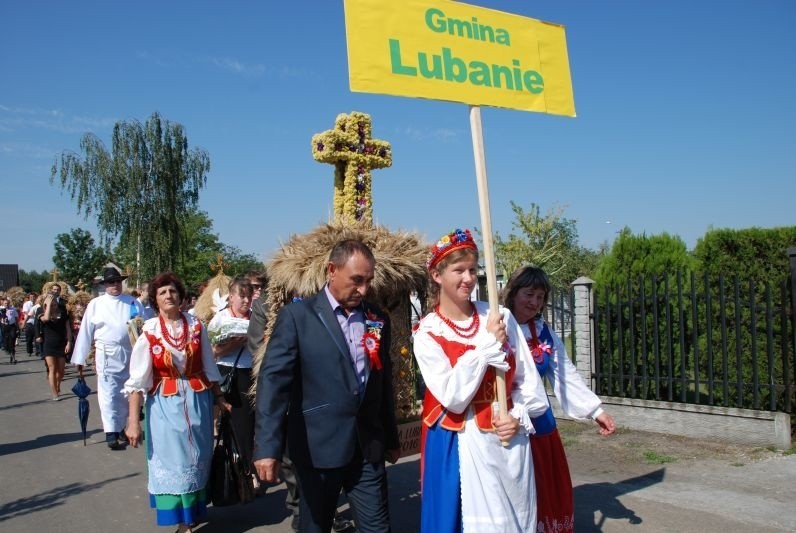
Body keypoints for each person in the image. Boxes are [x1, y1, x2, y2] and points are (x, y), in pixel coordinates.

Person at [254, 239, 400, 533]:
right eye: (356, 280)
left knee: (378, 528)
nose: (364, 290)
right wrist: (266, 447)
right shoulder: (298, 317)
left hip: (367, 448)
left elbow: (381, 383)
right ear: (332, 270)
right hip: (317, 449)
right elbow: (273, 384)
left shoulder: (376, 318)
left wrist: (391, 438)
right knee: (315, 527)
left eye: (368, 281)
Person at [413, 229, 549, 533]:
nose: (468, 278)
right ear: (436, 275)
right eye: (458, 270)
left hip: (509, 438)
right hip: (462, 442)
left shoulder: (499, 316)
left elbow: (528, 384)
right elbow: (453, 397)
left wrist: (517, 416)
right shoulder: (427, 333)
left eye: (473, 269)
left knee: (517, 519)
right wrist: (486, 347)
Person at [501, 266, 617, 532]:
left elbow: (565, 374)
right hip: (505, 427)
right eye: (528, 294)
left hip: (540, 426)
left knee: (545, 495)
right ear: (513, 293)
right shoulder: (496, 328)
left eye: (540, 297)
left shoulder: (543, 333)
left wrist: (596, 411)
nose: (534, 302)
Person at [124, 272, 229, 532]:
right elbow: (137, 380)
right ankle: (182, 522)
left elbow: (208, 365)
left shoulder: (195, 325)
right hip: (163, 406)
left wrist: (220, 398)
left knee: (197, 458)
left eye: (172, 291)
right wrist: (132, 422)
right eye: (162, 293)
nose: (168, 296)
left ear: (181, 297)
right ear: (155, 300)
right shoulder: (149, 330)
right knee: (174, 461)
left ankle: (191, 513)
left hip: (197, 402)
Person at [71, 266, 144, 449]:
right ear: (105, 285)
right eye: (111, 282)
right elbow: (86, 331)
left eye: (118, 281)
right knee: (108, 392)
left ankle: (123, 427)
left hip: (129, 352)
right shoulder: (96, 304)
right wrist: (80, 358)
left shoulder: (133, 303)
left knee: (128, 391)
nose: (115, 285)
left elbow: (143, 328)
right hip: (107, 353)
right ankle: (111, 431)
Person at [207, 277, 258, 489]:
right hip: (227, 373)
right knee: (231, 424)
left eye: (249, 296)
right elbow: (210, 353)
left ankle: (249, 468)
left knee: (248, 424)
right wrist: (232, 345)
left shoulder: (256, 317)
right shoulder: (220, 319)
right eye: (242, 296)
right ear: (232, 296)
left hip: (250, 373)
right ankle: (235, 470)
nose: (246, 301)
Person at [37, 283, 72, 396]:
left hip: (61, 343)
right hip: (49, 344)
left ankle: (57, 385)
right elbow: (46, 318)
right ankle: (54, 393)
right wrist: (47, 305)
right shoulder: (41, 313)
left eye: (55, 304)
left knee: (61, 371)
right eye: (52, 305)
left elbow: (68, 328)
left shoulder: (62, 313)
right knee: (52, 368)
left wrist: (69, 342)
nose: (54, 306)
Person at [23, 293, 39, 357]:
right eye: (31, 297)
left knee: (37, 337)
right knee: (29, 338)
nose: (32, 298)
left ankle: (38, 351)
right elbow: (26, 312)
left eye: (33, 297)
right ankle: (29, 351)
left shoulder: (37, 304)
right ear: (29, 297)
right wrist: (33, 313)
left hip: (36, 322)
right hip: (29, 322)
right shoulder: (26, 304)